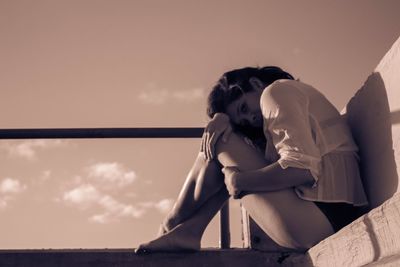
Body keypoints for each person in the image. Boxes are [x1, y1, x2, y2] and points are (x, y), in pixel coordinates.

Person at [135, 66, 368, 253]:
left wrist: (240, 181)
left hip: (322, 219)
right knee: (227, 149)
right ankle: (189, 231)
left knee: (221, 140)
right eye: (243, 119)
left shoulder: (276, 92)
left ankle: (169, 225)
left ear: (255, 84)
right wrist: (222, 118)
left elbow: (301, 170)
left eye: (244, 107)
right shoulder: (288, 102)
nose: (251, 118)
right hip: (322, 218)